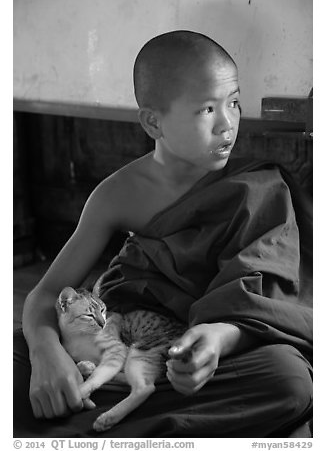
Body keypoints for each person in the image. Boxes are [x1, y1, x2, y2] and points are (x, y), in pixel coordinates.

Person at [14, 30, 312, 438]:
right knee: (14, 363)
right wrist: (46, 354)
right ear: (154, 121)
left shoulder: (257, 187)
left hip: (205, 350)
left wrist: (217, 340)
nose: (228, 125)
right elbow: (47, 295)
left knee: (288, 381)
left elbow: (264, 296)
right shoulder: (118, 194)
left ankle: (99, 411)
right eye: (207, 109)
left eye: (235, 103)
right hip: (130, 338)